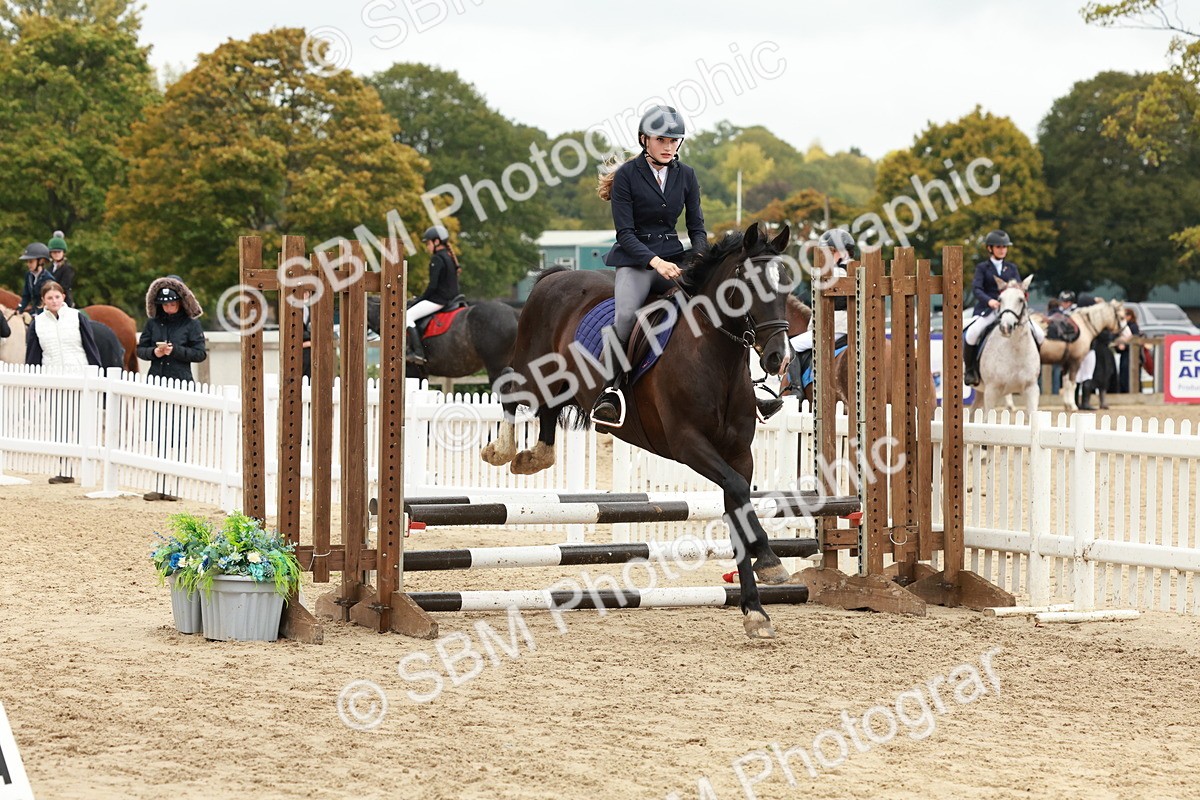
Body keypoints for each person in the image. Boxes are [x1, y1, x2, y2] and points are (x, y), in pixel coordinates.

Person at [591, 105, 707, 426]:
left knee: (712, 303)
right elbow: (625, 234)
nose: (669, 147)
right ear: (644, 140)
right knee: (626, 316)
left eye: (674, 141)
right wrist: (656, 262)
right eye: (662, 140)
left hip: (674, 256)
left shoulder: (687, 175)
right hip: (637, 260)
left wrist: (699, 260)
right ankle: (610, 391)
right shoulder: (628, 175)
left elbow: (697, 228)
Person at [136, 276, 207, 501]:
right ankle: (159, 484)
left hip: (180, 380)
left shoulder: (191, 324)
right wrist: (153, 353)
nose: (168, 308)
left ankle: (174, 486)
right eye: (165, 304)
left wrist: (175, 351)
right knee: (159, 433)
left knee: (178, 435)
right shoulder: (153, 324)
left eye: (172, 304)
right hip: (157, 379)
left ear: (180, 302)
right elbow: (140, 349)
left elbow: (199, 354)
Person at [24, 281, 102, 484]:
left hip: (79, 376)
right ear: (43, 300)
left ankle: (88, 468)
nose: (54, 301)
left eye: (57, 297)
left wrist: (97, 376)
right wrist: (31, 381)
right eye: (49, 298)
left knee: (81, 423)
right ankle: (64, 470)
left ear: (63, 297)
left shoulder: (77, 317)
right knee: (59, 426)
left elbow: (90, 348)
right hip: (54, 379)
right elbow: (33, 354)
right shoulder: (37, 323)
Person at [962, 230, 1043, 386]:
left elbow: (1019, 288)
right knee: (972, 333)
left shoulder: (1011, 268)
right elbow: (977, 289)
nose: (1002, 250)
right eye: (999, 247)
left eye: (1004, 247)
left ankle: (1034, 369)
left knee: (1038, 334)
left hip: (1011, 311)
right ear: (990, 249)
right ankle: (971, 370)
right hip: (990, 309)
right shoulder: (982, 268)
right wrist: (990, 301)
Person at [782, 228, 854, 398]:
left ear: (838, 252)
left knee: (789, 345)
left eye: (829, 252)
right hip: (853, 328)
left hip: (834, 328)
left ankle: (796, 390)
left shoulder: (833, 272)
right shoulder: (856, 269)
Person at [405, 225, 461, 366]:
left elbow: (433, 286)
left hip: (439, 300)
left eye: (428, 243)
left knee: (407, 316)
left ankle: (417, 352)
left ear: (436, 242)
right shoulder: (449, 257)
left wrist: (420, 299)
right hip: (451, 298)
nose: (427, 247)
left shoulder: (437, 259)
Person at [15, 242, 57, 315]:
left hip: (46, 314)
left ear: (41, 261)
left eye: (31, 262)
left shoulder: (48, 280)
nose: (28, 265)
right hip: (33, 311)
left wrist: (35, 315)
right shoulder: (28, 275)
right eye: (27, 262)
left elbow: (47, 303)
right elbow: (26, 296)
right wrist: (19, 309)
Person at [47, 231, 75, 307]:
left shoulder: (67, 268)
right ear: (50, 254)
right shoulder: (50, 268)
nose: (56, 254)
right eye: (54, 252)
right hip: (49, 300)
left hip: (63, 301)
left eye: (59, 252)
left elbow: (64, 286)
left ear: (63, 253)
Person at [1116, 307, 1141, 393]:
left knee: (1129, 375)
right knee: (1123, 374)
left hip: (1131, 354)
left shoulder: (1133, 326)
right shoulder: (1123, 326)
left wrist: (1125, 346)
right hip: (1125, 354)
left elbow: (1135, 340)